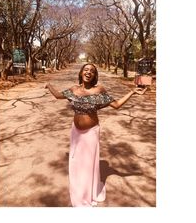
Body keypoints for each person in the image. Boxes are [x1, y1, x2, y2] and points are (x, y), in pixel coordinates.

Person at [45, 63, 146, 207]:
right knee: (75, 163)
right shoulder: (73, 89)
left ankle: (87, 193)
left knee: (87, 164)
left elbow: (116, 105)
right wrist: (49, 85)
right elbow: (58, 96)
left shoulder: (99, 90)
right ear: (81, 73)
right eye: (86, 70)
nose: (88, 72)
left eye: (92, 71)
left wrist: (132, 92)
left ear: (94, 76)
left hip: (90, 133)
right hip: (76, 132)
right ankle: (78, 189)